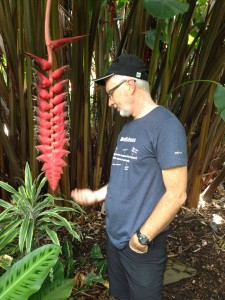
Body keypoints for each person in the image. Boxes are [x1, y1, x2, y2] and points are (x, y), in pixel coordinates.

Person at [71, 54, 187, 300]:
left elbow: (177, 194)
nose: (110, 102)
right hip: (116, 238)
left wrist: (142, 238)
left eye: (111, 93)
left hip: (141, 246)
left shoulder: (166, 126)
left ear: (130, 85)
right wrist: (97, 194)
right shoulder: (130, 126)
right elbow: (127, 177)